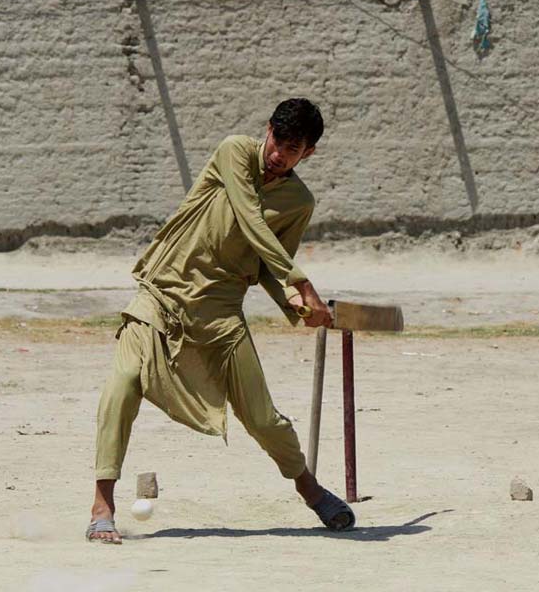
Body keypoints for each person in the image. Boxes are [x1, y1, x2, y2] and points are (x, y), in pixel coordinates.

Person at [87, 98, 355, 543]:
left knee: (263, 418)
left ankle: (309, 487)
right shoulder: (234, 151)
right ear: (266, 129)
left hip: (221, 310)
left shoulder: (298, 202)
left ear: (308, 153)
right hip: (163, 294)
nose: (278, 154)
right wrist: (301, 279)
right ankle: (101, 505)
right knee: (123, 381)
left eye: (292, 148)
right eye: (276, 141)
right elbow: (251, 220)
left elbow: (270, 261)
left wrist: (296, 305)